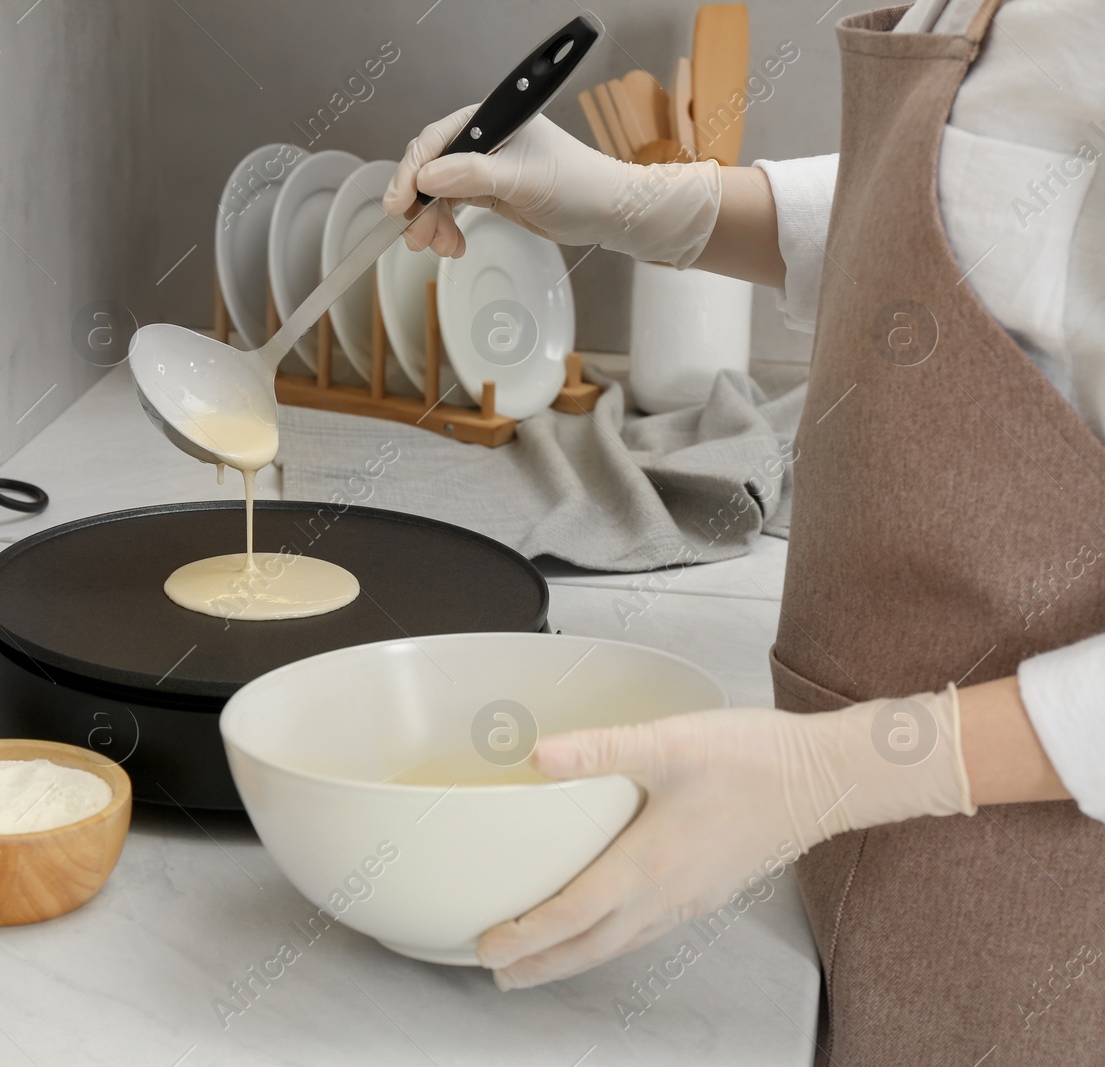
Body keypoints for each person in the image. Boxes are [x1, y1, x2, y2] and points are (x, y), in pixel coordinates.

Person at [383, 1, 1105, 1062]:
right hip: (875, 847)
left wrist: (838, 768)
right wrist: (637, 204)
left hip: (1046, 901)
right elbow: (984, 221)